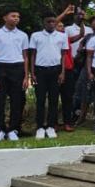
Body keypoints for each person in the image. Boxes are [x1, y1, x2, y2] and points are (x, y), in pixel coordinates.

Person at [0, 7, 29, 142]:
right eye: (13, 16)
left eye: (18, 16)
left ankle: (13, 129)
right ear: (5, 18)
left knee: (17, 100)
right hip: (1, 68)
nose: (16, 18)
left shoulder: (23, 35)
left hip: (17, 67)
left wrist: (26, 76)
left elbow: (26, 57)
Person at [28, 11, 69, 139]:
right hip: (40, 71)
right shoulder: (36, 36)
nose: (51, 24)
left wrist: (62, 72)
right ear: (44, 23)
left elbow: (63, 56)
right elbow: (33, 55)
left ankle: (51, 126)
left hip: (55, 70)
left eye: (53, 21)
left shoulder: (62, 36)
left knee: (54, 100)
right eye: (49, 22)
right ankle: (40, 127)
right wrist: (32, 72)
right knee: (40, 100)